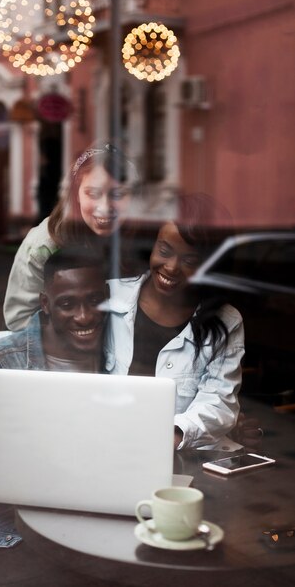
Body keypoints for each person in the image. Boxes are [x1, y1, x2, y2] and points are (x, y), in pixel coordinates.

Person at [0, 248, 109, 550]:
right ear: (46, 304)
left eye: (93, 301)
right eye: (67, 304)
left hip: (94, 521)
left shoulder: (118, 351)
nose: (84, 316)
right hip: (9, 534)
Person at [0, 142, 137, 347]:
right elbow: (21, 324)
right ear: (76, 195)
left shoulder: (143, 243)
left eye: (118, 194)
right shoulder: (44, 245)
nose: (105, 207)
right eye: (93, 193)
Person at [103, 193, 246, 451]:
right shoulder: (109, 297)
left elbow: (219, 403)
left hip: (176, 456)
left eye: (190, 260)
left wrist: (171, 437)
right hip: (106, 441)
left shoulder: (227, 321)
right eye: (164, 250)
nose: (171, 267)